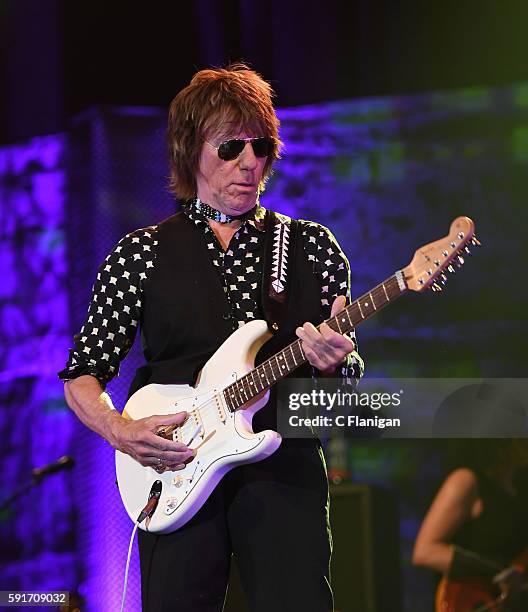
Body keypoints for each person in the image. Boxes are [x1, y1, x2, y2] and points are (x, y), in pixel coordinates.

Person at [59, 63, 363, 612]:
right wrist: (119, 429)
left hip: (281, 460)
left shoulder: (310, 247)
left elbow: (339, 392)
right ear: (189, 150)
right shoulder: (140, 254)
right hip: (175, 466)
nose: (250, 163)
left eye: (262, 145)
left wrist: (330, 364)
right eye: (230, 148)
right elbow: (84, 372)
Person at [412, 439, 528, 611]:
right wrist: (499, 571)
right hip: (471, 601)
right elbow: (425, 552)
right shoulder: (466, 480)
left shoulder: (521, 487)